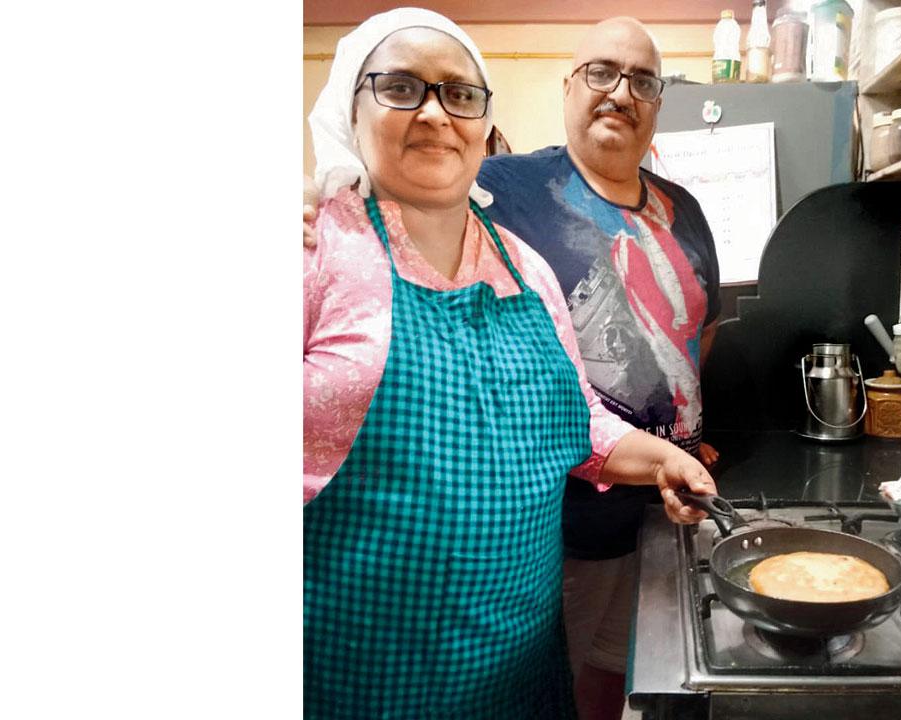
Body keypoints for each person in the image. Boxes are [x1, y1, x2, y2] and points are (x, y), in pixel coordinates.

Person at [303, 9, 716, 720]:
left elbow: (574, 416)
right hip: (364, 672)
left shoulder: (523, 266)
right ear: (351, 106)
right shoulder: (311, 250)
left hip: (519, 668)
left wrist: (661, 463)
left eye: (459, 94)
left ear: (482, 122)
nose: (435, 114)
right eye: (402, 87)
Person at [475, 18, 722, 720]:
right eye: (602, 73)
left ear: (657, 102)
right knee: (544, 686)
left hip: (666, 512)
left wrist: (687, 426)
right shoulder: (501, 187)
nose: (621, 92)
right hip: (558, 519)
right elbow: (396, 203)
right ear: (568, 86)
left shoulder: (688, 212)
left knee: (620, 678)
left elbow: (700, 332)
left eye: (642, 80)